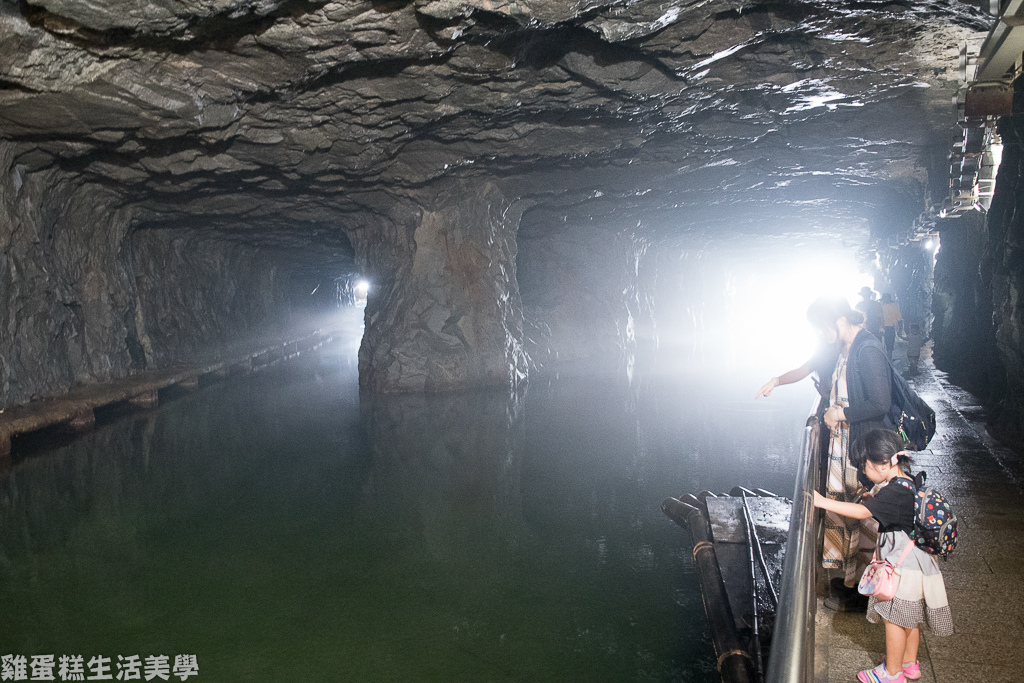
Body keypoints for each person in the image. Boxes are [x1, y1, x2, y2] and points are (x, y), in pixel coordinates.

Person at [813, 429, 952, 682]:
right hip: (919, 563)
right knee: (910, 618)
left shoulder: (892, 493)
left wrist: (821, 502)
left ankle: (892, 674)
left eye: (864, 466)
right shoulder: (905, 482)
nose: (863, 472)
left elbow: (861, 512)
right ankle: (909, 664)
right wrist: (873, 499)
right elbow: (886, 508)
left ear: (884, 463)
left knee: (894, 620)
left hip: (904, 570)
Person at [808, 297, 893, 611]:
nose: (819, 332)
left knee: (863, 516)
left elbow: (880, 402)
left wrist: (841, 414)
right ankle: (850, 582)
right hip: (847, 445)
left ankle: (864, 591)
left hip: (861, 444)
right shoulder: (850, 346)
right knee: (849, 515)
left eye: (820, 325)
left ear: (838, 318)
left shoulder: (867, 349)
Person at [754, 337, 839, 411]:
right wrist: (775, 381)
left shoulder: (847, 352)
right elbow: (801, 371)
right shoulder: (823, 353)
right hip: (829, 407)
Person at [880, 293, 903, 359]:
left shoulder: (880, 308)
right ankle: (889, 359)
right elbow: (900, 320)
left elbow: (900, 320)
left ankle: (885, 359)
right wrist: (900, 330)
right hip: (890, 328)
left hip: (881, 328)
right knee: (889, 346)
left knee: (884, 345)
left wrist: (900, 330)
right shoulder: (894, 308)